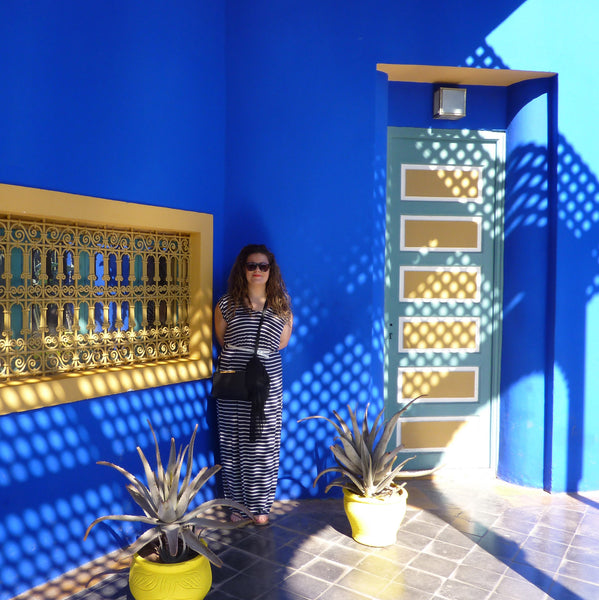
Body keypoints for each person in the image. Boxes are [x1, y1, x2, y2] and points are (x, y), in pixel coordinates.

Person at [214, 244, 293, 525]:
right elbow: (223, 340)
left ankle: (260, 506)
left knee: (263, 441)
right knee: (232, 440)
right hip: (233, 376)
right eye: (251, 266)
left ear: (271, 271)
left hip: (266, 382)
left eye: (263, 266)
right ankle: (237, 506)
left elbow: (281, 344)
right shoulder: (227, 303)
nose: (257, 271)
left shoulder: (282, 305)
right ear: (242, 270)